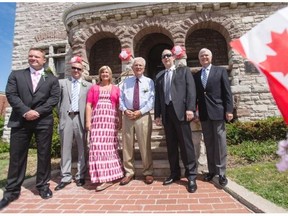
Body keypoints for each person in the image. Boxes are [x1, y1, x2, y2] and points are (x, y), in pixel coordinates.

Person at [0, 47, 60, 210]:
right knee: (17, 156)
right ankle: (12, 190)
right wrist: (26, 111)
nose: (33, 59)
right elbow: (11, 95)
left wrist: (37, 112)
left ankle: (42, 186)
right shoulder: (16, 75)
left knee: (43, 154)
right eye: (30, 56)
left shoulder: (52, 79)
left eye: (37, 57)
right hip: (21, 120)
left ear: (44, 60)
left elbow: (54, 99)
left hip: (43, 121)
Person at [154, 49, 198, 193]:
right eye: (163, 56)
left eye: (168, 55)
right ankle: (174, 173)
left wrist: (190, 108)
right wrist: (157, 115)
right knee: (171, 145)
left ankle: (191, 175)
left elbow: (191, 90)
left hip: (181, 113)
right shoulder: (159, 76)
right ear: (161, 60)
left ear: (173, 58)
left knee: (186, 145)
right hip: (167, 114)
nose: (166, 57)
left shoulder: (183, 71)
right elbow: (158, 97)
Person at [193, 48, 233, 187]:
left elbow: (227, 92)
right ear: (199, 59)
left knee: (220, 143)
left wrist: (229, 110)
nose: (204, 57)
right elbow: (197, 96)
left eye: (206, 55)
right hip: (204, 114)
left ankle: (221, 173)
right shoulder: (197, 75)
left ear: (211, 57)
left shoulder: (220, 71)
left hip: (218, 111)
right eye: (201, 55)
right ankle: (212, 171)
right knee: (209, 143)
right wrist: (195, 112)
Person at [54, 56, 92, 191]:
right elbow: (57, 102)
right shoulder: (62, 83)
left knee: (82, 147)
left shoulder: (88, 86)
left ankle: (81, 174)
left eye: (79, 69)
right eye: (74, 68)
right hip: (67, 117)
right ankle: (65, 176)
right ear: (71, 69)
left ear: (82, 71)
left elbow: (90, 104)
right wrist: (62, 115)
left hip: (80, 118)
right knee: (65, 147)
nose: (76, 70)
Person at [86, 66, 124, 191]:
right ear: (99, 74)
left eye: (107, 72)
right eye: (102, 72)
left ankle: (110, 176)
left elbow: (119, 107)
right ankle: (101, 176)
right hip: (97, 121)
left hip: (111, 121)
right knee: (96, 147)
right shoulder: (94, 88)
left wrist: (120, 121)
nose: (105, 74)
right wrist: (88, 122)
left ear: (110, 74)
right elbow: (89, 105)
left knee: (109, 148)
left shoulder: (116, 89)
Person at [119, 57, 155, 185]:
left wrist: (140, 111)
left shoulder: (149, 82)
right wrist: (124, 110)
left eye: (140, 65)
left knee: (145, 145)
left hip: (143, 115)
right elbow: (120, 98)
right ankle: (129, 172)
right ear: (132, 68)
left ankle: (148, 172)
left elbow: (151, 100)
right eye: (136, 65)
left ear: (144, 68)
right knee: (127, 145)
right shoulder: (126, 82)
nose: (138, 67)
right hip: (128, 115)